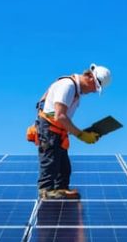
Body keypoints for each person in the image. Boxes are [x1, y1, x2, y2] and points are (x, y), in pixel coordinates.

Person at [34, 64, 112, 199]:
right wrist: (81, 135)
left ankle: (61, 190)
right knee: (51, 161)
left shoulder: (75, 90)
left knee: (64, 168)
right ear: (90, 78)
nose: (94, 92)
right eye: (96, 88)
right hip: (50, 131)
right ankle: (45, 191)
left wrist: (86, 132)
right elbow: (60, 115)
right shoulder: (68, 86)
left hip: (57, 131)